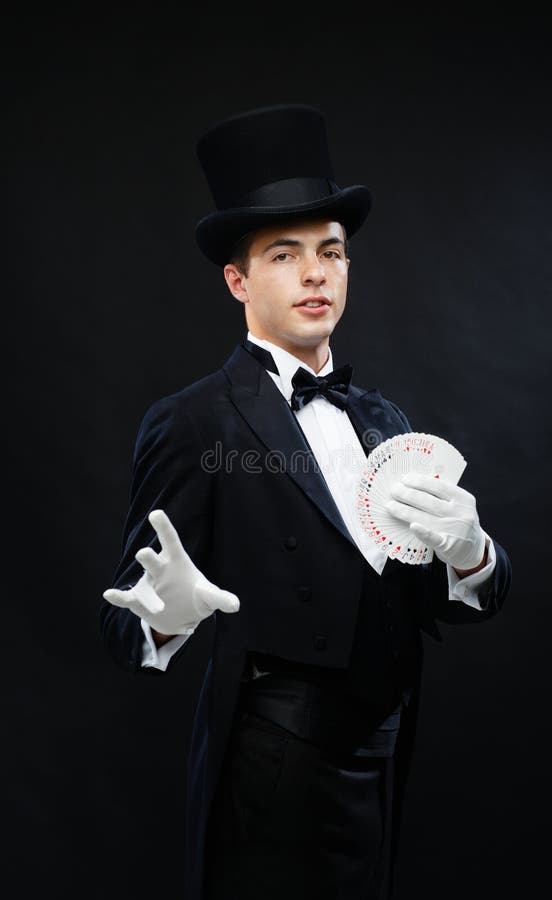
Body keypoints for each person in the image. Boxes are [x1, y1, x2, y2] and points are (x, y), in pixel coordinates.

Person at [100, 103, 511, 900]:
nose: (316, 273)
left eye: (331, 252)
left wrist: (473, 554)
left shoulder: (382, 419)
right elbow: (120, 628)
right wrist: (164, 612)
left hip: (387, 757)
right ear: (237, 279)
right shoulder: (192, 422)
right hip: (272, 773)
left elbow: (448, 599)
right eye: (284, 255)